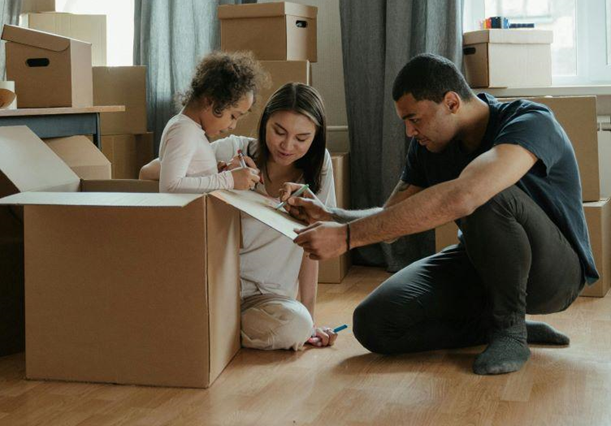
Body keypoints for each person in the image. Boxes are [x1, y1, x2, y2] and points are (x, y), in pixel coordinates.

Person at [284, 54, 596, 375]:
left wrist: (347, 238)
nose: (408, 132)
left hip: (555, 275)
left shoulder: (530, 120)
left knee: (485, 193)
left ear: (451, 102)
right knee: (374, 324)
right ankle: (492, 326)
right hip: (480, 263)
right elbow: (391, 220)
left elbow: (468, 194)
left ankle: (510, 330)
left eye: (414, 119)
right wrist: (332, 216)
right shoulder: (428, 147)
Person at [144, 82, 341, 350]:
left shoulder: (320, 168)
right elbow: (149, 172)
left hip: (268, 299)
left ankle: (210, 329)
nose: (287, 145)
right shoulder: (233, 150)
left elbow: (313, 246)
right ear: (264, 123)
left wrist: (310, 318)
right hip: (217, 287)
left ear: (316, 138)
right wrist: (221, 175)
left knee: (297, 326)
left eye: (301, 139)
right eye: (279, 131)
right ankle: (213, 327)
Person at [157, 52, 264, 193]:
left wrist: (215, 175)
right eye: (233, 116)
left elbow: (190, 179)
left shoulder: (192, 130)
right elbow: (170, 186)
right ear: (210, 101)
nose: (233, 126)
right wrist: (229, 179)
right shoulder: (184, 130)